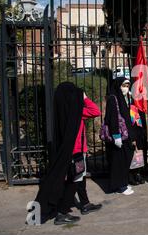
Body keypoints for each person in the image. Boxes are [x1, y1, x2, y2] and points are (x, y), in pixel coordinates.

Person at [34, 82, 101, 225]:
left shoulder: (63, 112)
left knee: (80, 177)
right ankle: (62, 213)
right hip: (76, 151)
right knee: (75, 180)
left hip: (75, 150)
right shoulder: (77, 112)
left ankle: (85, 203)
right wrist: (84, 98)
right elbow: (96, 111)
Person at [105, 77, 136, 195]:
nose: (126, 88)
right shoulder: (113, 99)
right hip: (118, 136)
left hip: (126, 135)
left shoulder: (124, 98)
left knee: (125, 159)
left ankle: (123, 183)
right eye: (124, 85)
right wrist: (116, 136)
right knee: (119, 162)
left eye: (128, 86)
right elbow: (112, 118)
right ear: (118, 86)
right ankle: (120, 186)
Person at [129, 103, 146, 186]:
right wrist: (132, 138)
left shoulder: (140, 106)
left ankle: (138, 174)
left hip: (139, 134)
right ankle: (131, 175)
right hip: (132, 134)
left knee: (138, 155)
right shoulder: (129, 106)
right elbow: (130, 122)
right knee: (132, 154)